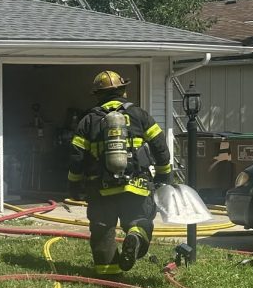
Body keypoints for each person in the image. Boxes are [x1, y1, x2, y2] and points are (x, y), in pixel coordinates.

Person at [67, 69, 176, 275]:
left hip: (100, 189)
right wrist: (164, 175)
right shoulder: (140, 115)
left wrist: (74, 185)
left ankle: (110, 277)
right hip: (136, 186)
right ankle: (135, 236)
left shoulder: (88, 121)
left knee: (102, 231)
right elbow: (160, 147)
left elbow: (76, 157)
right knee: (139, 220)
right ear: (123, 91)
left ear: (97, 95)